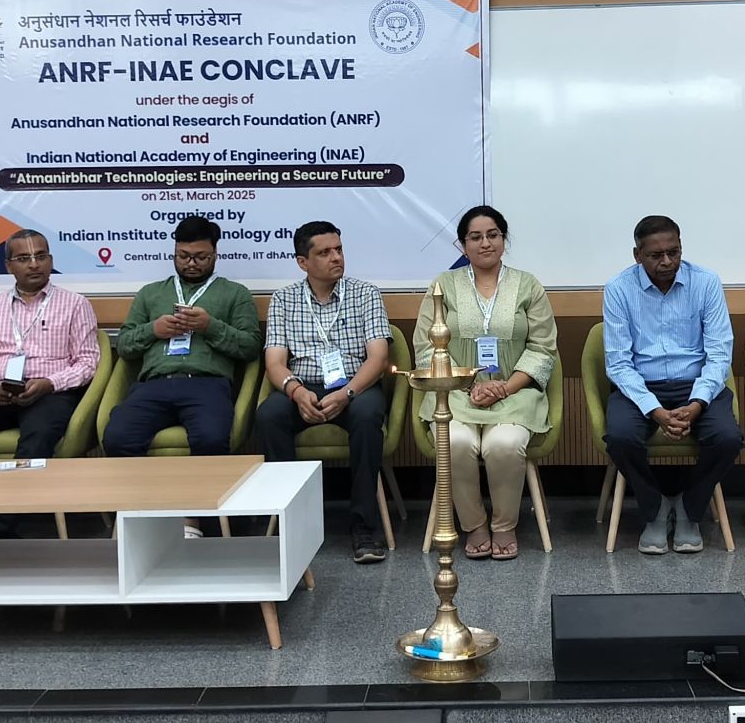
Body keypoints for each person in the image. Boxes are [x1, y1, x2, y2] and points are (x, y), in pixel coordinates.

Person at [102, 216, 261, 537]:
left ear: (215, 255)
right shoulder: (150, 294)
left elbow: (250, 346)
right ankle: (148, 519)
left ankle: (196, 520)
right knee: (118, 437)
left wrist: (210, 326)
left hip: (207, 384)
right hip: (153, 386)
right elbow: (126, 345)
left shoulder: (234, 294)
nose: (191, 263)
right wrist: (154, 329)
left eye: (200, 257)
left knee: (212, 439)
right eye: (183, 256)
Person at [414, 206, 556, 561]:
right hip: (454, 395)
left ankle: (505, 526)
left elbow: (543, 349)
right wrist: (467, 386)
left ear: (504, 240)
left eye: (493, 235)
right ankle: (474, 525)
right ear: (462, 245)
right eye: (475, 237)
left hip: (515, 394)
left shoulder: (528, 285)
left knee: (504, 444)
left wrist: (504, 388)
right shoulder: (443, 286)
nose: (485, 243)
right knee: (455, 442)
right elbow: (426, 348)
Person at [0, 229, 100, 537]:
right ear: (8, 266)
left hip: (50, 393)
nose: (34, 264)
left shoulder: (75, 304)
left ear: (51, 260)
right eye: (24, 258)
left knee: (36, 441)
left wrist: (49, 383)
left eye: (41, 256)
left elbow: (87, 363)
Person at [601, 214, 743, 555]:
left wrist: (697, 404)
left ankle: (690, 509)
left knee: (728, 438)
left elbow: (719, 354)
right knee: (620, 437)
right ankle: (654, 509)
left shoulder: (706, 282)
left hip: (696, 384)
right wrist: (656, 411)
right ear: (637, 255)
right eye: (655, 255)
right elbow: (618, 363)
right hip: (641, 385)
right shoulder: (618, 289)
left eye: (674, 252)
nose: (666, 261)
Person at [258, 220, 394, 564]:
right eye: (324, 252)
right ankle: (292, 524)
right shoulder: (284, 299)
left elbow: (378, 359)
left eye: (339, 249)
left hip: (355, 385)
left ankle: (364, 528)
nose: (336, 257)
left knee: (367, 416)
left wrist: (347, 393)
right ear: (303, 262)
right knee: (269, 415)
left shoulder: (365, 294)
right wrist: (296, 392)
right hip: (303, 385)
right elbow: (275, 362)